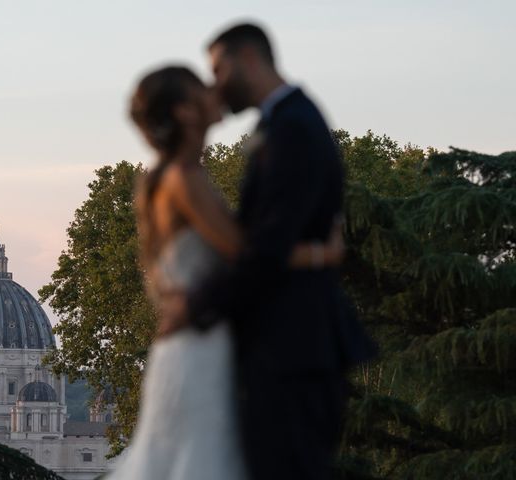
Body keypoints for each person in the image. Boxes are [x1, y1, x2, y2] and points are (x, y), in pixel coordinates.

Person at [105, 66, 347, 480]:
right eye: (204, 88)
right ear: (184, 112)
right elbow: (248, 254)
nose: (217, 91)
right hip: (199, 347)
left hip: (188, 344)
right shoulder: (186, 179)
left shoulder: (161, 178)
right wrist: (322, 253)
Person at [183, 23, 377, 479]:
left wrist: (194, 308)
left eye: (218, 68)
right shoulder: (289, 122)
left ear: (249, 59)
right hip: (289, 350)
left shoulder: (291, 129)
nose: (215, 84)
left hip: (292, 351)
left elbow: (265, 250)